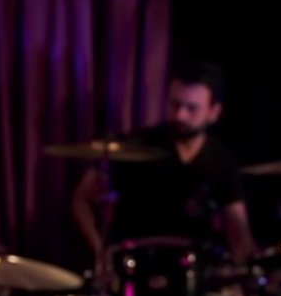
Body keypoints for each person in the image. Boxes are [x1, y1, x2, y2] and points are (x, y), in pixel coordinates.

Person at [70, 60, 257, 267]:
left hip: (195, 269)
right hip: (136, 266)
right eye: (174, 104)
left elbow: (239, 232)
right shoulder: (137, 146)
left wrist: (244, 270)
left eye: (191, 108)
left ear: (214, 112)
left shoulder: (222, 160)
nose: (180, 115)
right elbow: (81, 198)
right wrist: (100, 251)